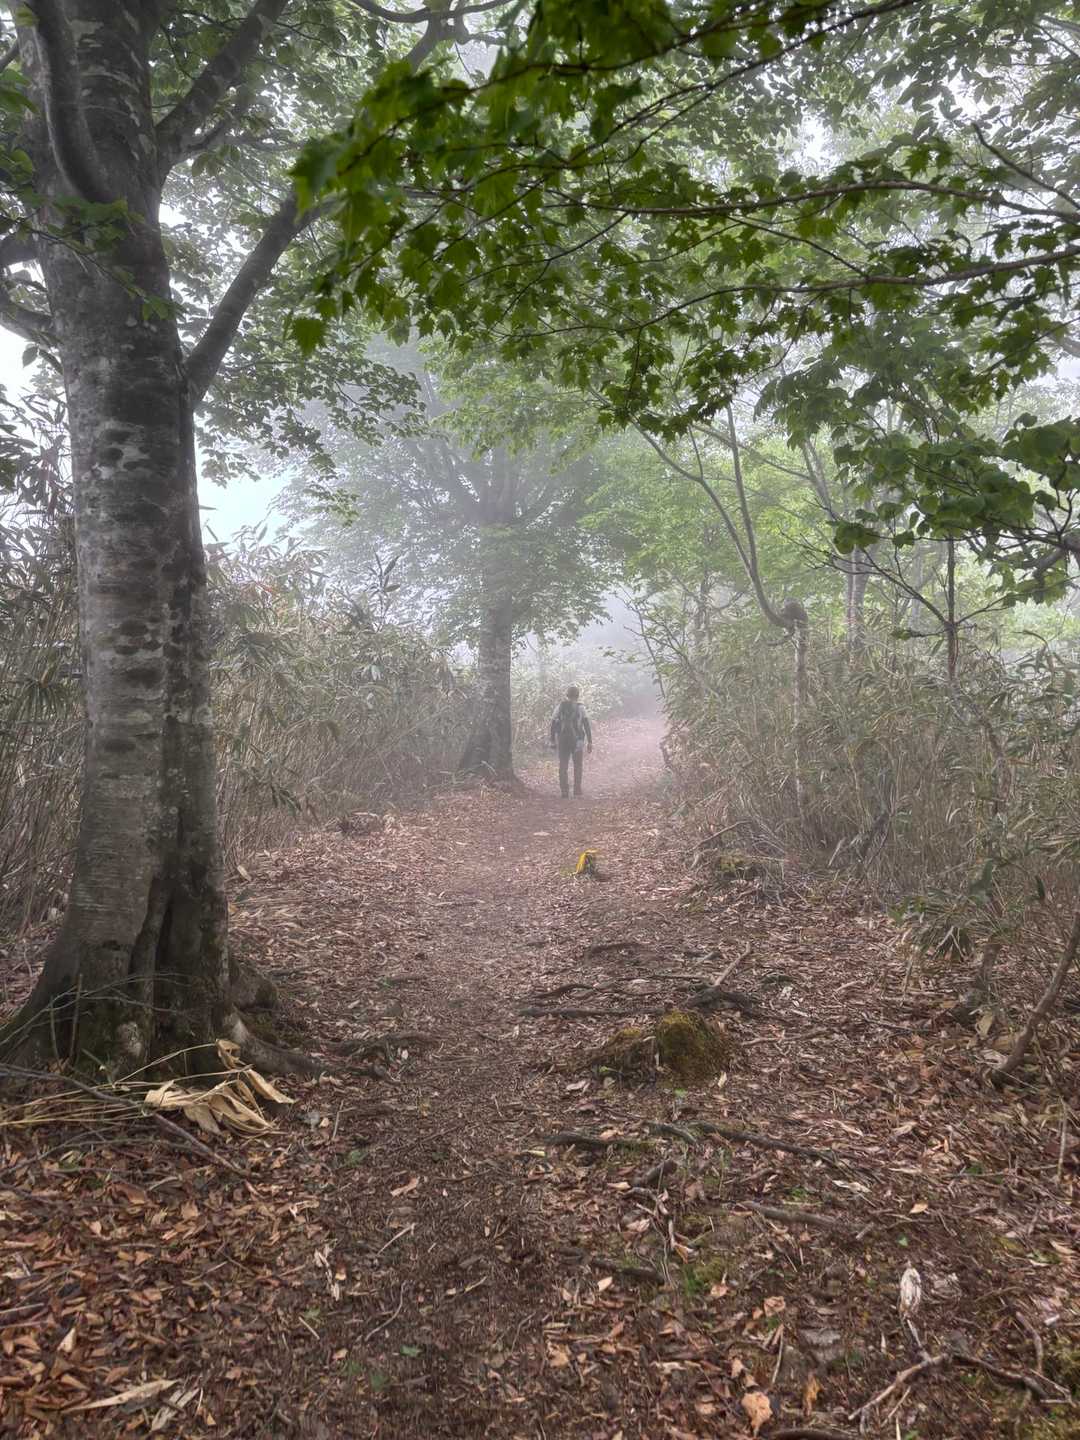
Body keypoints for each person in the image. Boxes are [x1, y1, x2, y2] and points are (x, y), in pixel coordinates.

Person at [550, 685, 593, 798]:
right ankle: (577, 790)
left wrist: (552, 740)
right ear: (577, 695)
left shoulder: (560, 706)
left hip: (563, 739)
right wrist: (590, 741)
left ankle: (564, 791)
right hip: (577, 740)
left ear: (567, 695)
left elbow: (553, 723)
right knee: (578, 765)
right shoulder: (581, 708)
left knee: (563, 765)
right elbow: (586, 724)